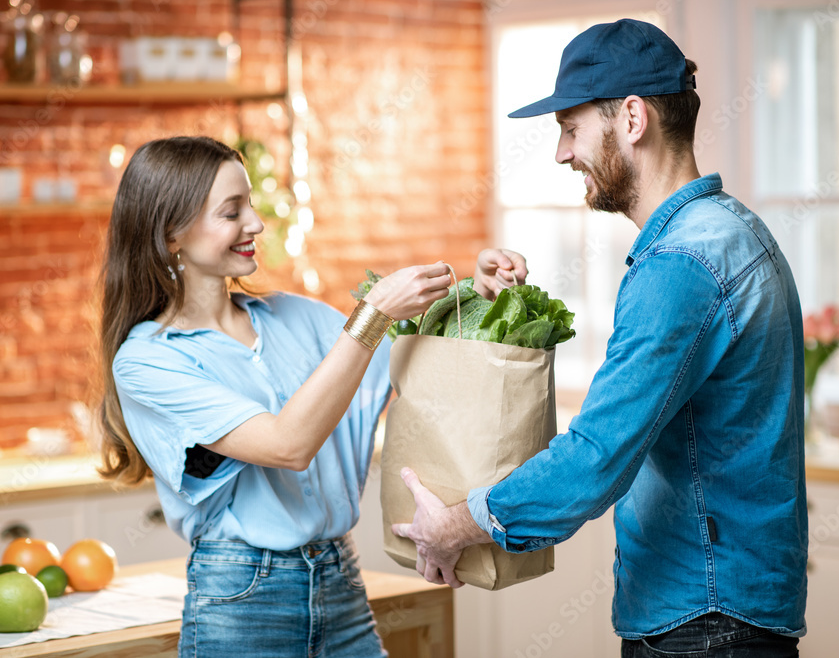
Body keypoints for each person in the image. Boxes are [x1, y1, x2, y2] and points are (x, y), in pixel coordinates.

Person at [392, 19, 807, 657]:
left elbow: (595, 457)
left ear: (632, 119)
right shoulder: (735, 232)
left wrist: (457, 525)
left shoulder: (680, 266)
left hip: (701, 622)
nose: (562, 153)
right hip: (736, 611)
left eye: (571, 128)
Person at [96, 135, 521, 657]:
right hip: (242, 598)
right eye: (232, 212)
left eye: (249, 204)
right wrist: (374, 313)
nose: (255, 223)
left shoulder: (296, 316)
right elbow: (287, 445)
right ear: (170, 237)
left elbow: (418, 357)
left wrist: (476, 291)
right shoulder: (148, 361)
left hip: (340, 578)